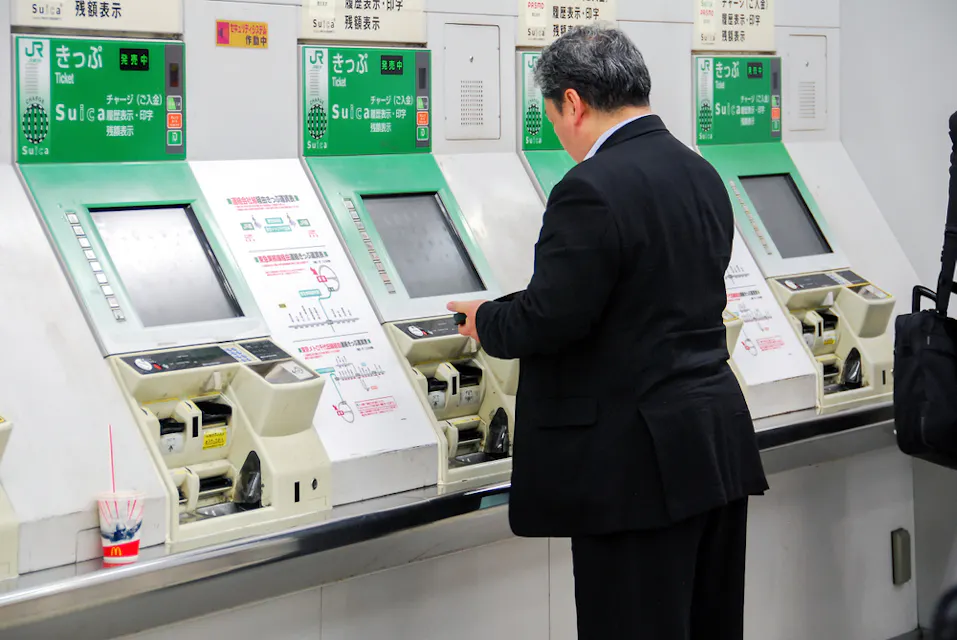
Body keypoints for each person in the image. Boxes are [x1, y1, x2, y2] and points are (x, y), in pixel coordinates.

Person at [447, 25, 769, 640]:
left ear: (573, 102)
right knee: (709, 624)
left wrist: (485, 321)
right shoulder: (700, 172)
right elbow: (639, 296)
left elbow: (553, 316)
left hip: (634, 471)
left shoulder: (591, 187)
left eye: (551, 116)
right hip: (712, 445)